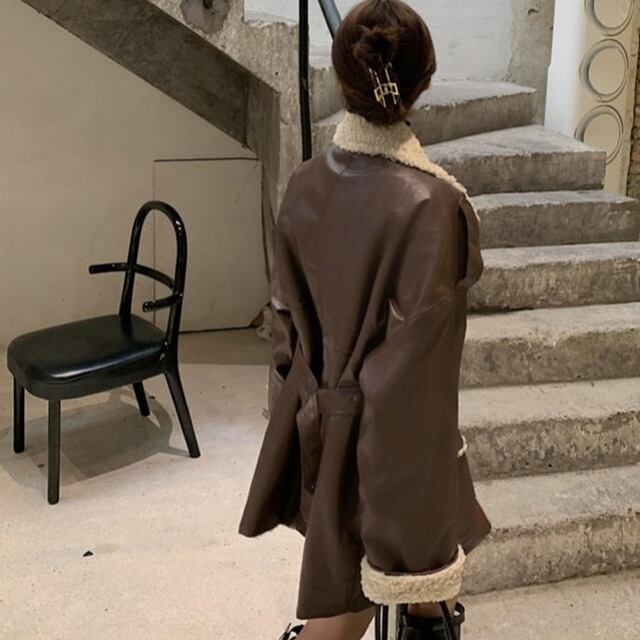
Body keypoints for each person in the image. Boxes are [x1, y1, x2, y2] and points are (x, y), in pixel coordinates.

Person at [238, 1, 491, 638]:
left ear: (341, 78)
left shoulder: (302, 184)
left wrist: (302, 434)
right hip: (394, 455)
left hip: (320, 427)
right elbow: (413, 384)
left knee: (360, 601)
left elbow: (285, 334)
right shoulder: (435, 204)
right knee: (405, 590)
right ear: (424, 82)